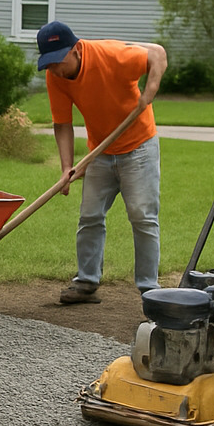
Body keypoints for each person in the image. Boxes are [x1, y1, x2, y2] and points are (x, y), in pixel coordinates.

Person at [36, 20, 167, 304]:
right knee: (90, 216)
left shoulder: (111, 56)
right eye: (48, 64)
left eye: (58, 61)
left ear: (76, 49)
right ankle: (86, 281)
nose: (55, 69)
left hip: (139, 146)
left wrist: (150, 89)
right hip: (100, 151)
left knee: (142, 216)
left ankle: (149, 289)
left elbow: (157, 53)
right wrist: (67, 167)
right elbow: (62, 124)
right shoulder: (55, 77)